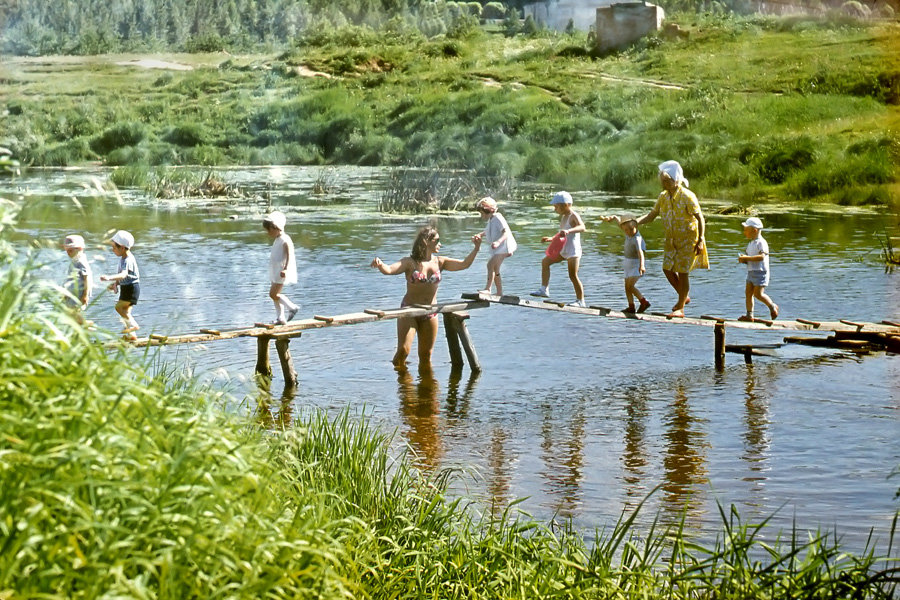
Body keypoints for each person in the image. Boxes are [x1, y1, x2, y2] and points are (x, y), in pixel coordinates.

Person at [371, 226, 481, 370]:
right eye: (437, 240)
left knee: (426, 355)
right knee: (403, 351)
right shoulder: (410, 262)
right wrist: (380, 264)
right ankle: (403, 384)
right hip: (409, 311)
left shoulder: (440, 262)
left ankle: (426, 390)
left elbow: (464, 264)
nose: (440, 244)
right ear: (426, 242)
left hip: (430, 312)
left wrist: (476, 248)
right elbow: (390, 270)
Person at [635, 161, 708, 318]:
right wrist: (636, 222)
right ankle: (683, 296)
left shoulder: (687, 196)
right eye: (663, 181)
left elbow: (699, 218)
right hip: (671, 241)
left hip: (688, 240)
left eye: (667, 181)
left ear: (676, 180)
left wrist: (701, 239)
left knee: (683, 272)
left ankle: (680, 308)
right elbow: (652, 215)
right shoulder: (663, 197)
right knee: (667, 269)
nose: (664, 184)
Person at [530, 191, 587, 307]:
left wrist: (569, 230)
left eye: (556, 207)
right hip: (564, 249)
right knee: (545, 262)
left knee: (573, 275)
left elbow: (582, 227)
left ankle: (581, 301)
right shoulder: (564, 217)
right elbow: (561, 235)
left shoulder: (573, 215)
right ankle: (544, 289)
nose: (555, 209)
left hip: (573, 251)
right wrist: (551, 239)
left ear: (565, 205)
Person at [602, 215, 651, 313]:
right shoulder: (628, 233)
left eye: (631, 229)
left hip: (636, 264)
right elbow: (620, 224)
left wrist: (642, 265)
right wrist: (614, 217)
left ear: (636, 227)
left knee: (631, 286)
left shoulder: (637, 238)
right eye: (626, 230)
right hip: (628, 263)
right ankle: (631, 306)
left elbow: (640, 252)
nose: (628, 232)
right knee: (626, 287)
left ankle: (644, 302)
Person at [99, 230, 140, 340]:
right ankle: (132, 336)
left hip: (131, 288)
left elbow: (123, 274)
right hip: (127, 287)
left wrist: (109, 277)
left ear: (122, 248)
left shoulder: (127, 260)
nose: (112, 250)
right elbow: (122, 277)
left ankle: (134, 326)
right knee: (125, 312)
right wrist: (115, 284)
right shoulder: (123, 258)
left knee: (119, 307)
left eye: (114, 247)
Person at [474, 196, 517, 296]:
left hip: (504, 247)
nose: (481, 216)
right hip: (500, 248)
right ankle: (499, 292)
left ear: (488, 210)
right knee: (496, 268)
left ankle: (488, 289)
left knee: (490, 265)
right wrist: (480, 234)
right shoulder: (492, 219)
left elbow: (505, 232)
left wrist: (498, 242)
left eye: (482, 213)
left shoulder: (497, 217)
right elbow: (488, 230)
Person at [738, 216, 779, 321]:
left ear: (754, 230)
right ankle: (749, 315)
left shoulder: (761, 242)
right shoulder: (751, 243)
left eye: (746, 230)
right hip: (751, 271)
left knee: (758, 294)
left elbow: (761, 257)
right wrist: (744, 260)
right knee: (748, 293)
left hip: (761, 272)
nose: (744, 232)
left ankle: (772, 306)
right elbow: (750, 258)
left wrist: (747, 258)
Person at [263, 211, 299, 325]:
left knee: (273, 294)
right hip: (276, 271)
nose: (268, 233)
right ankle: (280, 318)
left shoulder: (285, 239)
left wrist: (286, 269)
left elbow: (289, 255)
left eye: (269, 230)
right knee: (274, 296)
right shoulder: (278, 239)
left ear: (276, 227)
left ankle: (292, 307)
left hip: (281, 271)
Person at [61, 234, 93, 324]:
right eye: (67, 250)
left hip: (79, 294)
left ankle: (87, 326)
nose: (68, 253)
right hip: (73, 293)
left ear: (80, 249)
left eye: (70, 250)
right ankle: (83, 328)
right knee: (70, 313)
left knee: (75, 312)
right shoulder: (75, 261)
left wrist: (85, 295)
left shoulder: (81, 262)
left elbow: (87, 278)